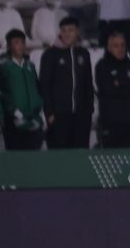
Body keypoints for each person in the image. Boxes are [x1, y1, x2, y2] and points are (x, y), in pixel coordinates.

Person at [40, 17, 94, 149]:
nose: (67, 34)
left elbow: (88, 84)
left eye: (71, 30)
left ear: (77, 32)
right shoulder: (50, 54)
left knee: (80, 155)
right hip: (59, 115)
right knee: (61, 158)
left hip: (81, 116)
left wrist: (88, 111)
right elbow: (44, 85)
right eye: (64, 30)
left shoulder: (83, 53)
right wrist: (49, 113)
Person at [95, 31, 130, 148]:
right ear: (108, 47)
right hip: (111, 121)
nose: (120, 49)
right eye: (116, 46)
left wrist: (120, 82)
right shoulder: (102, 66)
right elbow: (108, 89)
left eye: (122, 45)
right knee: (111, 160)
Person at [0, 30, 45, 150]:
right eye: (16, 42)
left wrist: (38, 107)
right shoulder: (2, 66)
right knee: (16, 159)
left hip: (33, 119)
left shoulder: (30, 65)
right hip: (13, 121)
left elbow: (36, 88)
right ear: (9, 46)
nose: (21, 46)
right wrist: (13, 112)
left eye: (23, 42)